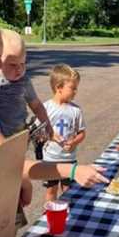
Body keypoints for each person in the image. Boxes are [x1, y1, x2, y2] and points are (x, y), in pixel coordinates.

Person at [36, 64, 86, 202]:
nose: (75, 91)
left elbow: (82, 133)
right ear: (59, 88)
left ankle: (67, 215)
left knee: (68, 192)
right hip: (50, 159)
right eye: (72, 88)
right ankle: (49, 216)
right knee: (51, 191)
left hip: (69, 159)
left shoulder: (76, 110)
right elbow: (37, 133)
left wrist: (75, 141)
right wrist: (47, 136)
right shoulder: (45, 108)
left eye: (76, 88)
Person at [0, 29, 54, 144]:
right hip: (2, 140)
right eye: (13, 65)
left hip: (20, 137)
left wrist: (47, 124)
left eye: (22, 63)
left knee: (18, 161)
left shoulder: (24, 82)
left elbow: (37, 105)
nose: (19, 69)